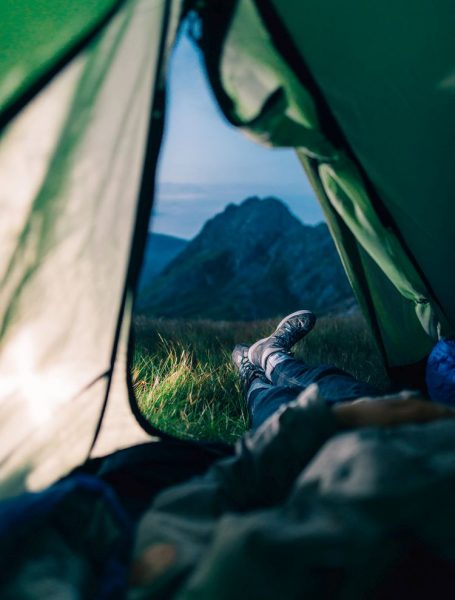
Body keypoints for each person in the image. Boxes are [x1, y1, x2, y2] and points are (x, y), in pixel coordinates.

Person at [3, 311, 455, 598]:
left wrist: (340, 421)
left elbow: (198, 504)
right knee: (330, 392)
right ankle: (261, 362)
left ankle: (264, 358)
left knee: (324, 398)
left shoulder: (134, 562)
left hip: (346, 445)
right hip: (373, 454)